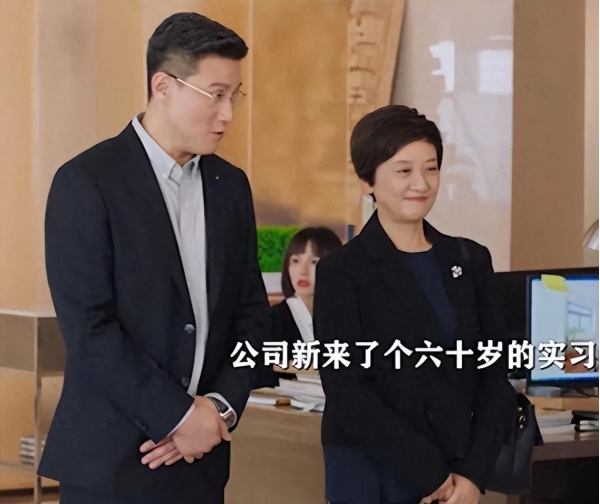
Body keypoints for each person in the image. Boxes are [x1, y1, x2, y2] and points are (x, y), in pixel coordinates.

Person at [40, 12, 269, 504]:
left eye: (235, 95)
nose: (228, 114)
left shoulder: (230, 187)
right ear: (163, 85)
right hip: (113, 462)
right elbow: (90, 330)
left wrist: (218, 408)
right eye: (216, 95)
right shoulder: (87, 182)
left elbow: (251, 314)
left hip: (202, 459)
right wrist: (177, 416)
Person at [314, 106, 516, 504]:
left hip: (459, 475)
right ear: (367, 180)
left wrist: (472, 475)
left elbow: (495, 375)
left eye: (431, 169)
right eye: (403, 170)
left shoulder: (471, 260)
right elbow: (347, 391)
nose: (420, 184)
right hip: (373, 473)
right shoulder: (342, 271)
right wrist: (431, 476)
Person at [253, 227, 342, 389]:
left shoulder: (346, 319)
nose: (302, 271)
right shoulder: (271, 320)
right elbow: (258, 368)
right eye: (295, 261)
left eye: (314, 262)